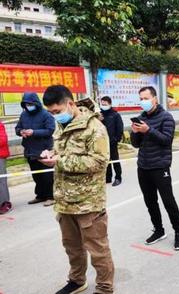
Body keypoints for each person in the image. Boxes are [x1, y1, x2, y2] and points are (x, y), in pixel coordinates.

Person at [40, 85, 114, 294]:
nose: (55, 116)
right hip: (65, 200)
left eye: (57, 111)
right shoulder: (61, 126)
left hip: (89, 202)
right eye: (51, 113)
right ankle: (77, 280)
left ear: (70, 104)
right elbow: (62, 151)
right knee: (72, 248)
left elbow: (99, 161)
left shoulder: (94, 128)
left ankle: (105, 287)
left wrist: (61, 161)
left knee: (98, 249)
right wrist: (50, 154)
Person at [130, 86, 179, 250]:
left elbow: (166, 140)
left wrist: (148, 130)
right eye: (141, 98)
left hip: (160, 166)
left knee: (168, 201)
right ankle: (159, 230)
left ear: (155, 99)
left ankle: (178, 232)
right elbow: (136, 144)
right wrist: (135, 132)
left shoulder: (166, 117)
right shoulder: (140, 117)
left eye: (146, 98)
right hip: (143, 166)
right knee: (150, 201)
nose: (143, 102)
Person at [15, 92, 55, 206]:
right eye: (26, 104)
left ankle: (51, 196)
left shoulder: (46, 114)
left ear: (36, 103)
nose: (28, 106)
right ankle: (40, 195)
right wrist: (20, 132)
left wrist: (34, 132)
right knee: (36, 175)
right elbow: (17, 128)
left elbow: (50, 130)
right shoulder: (24, 115)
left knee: (47, 175)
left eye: (30, 104)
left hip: (44, 149)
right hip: (29, 149)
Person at [100, 96, 124, 186]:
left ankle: (118, 177)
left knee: (115, 160)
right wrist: (100, 120)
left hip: (112, 142)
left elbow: (120, 128)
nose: (103, 106)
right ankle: (108, 177)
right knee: (106, 161)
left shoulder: (115, 115)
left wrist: (116, 139)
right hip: (103, 142)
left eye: (105, 104)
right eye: (102, 104)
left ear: (110, 104)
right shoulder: (100, 115)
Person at [0, 121, 11, 214]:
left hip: (0, 156)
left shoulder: (0, 125)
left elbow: (2, 140)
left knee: (1, 180)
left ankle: (5, 203)